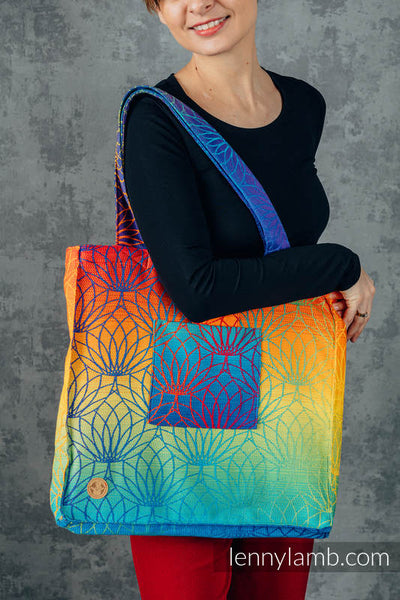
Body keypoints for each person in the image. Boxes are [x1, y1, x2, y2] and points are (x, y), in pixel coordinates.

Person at [123, 1, 376, 598]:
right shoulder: (155, 119)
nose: (199, 4)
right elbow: (197, 291)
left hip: (289, 394)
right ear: (158, 11)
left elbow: (283, 244)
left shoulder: (305, 105)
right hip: (189, 401)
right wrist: (342, 265)